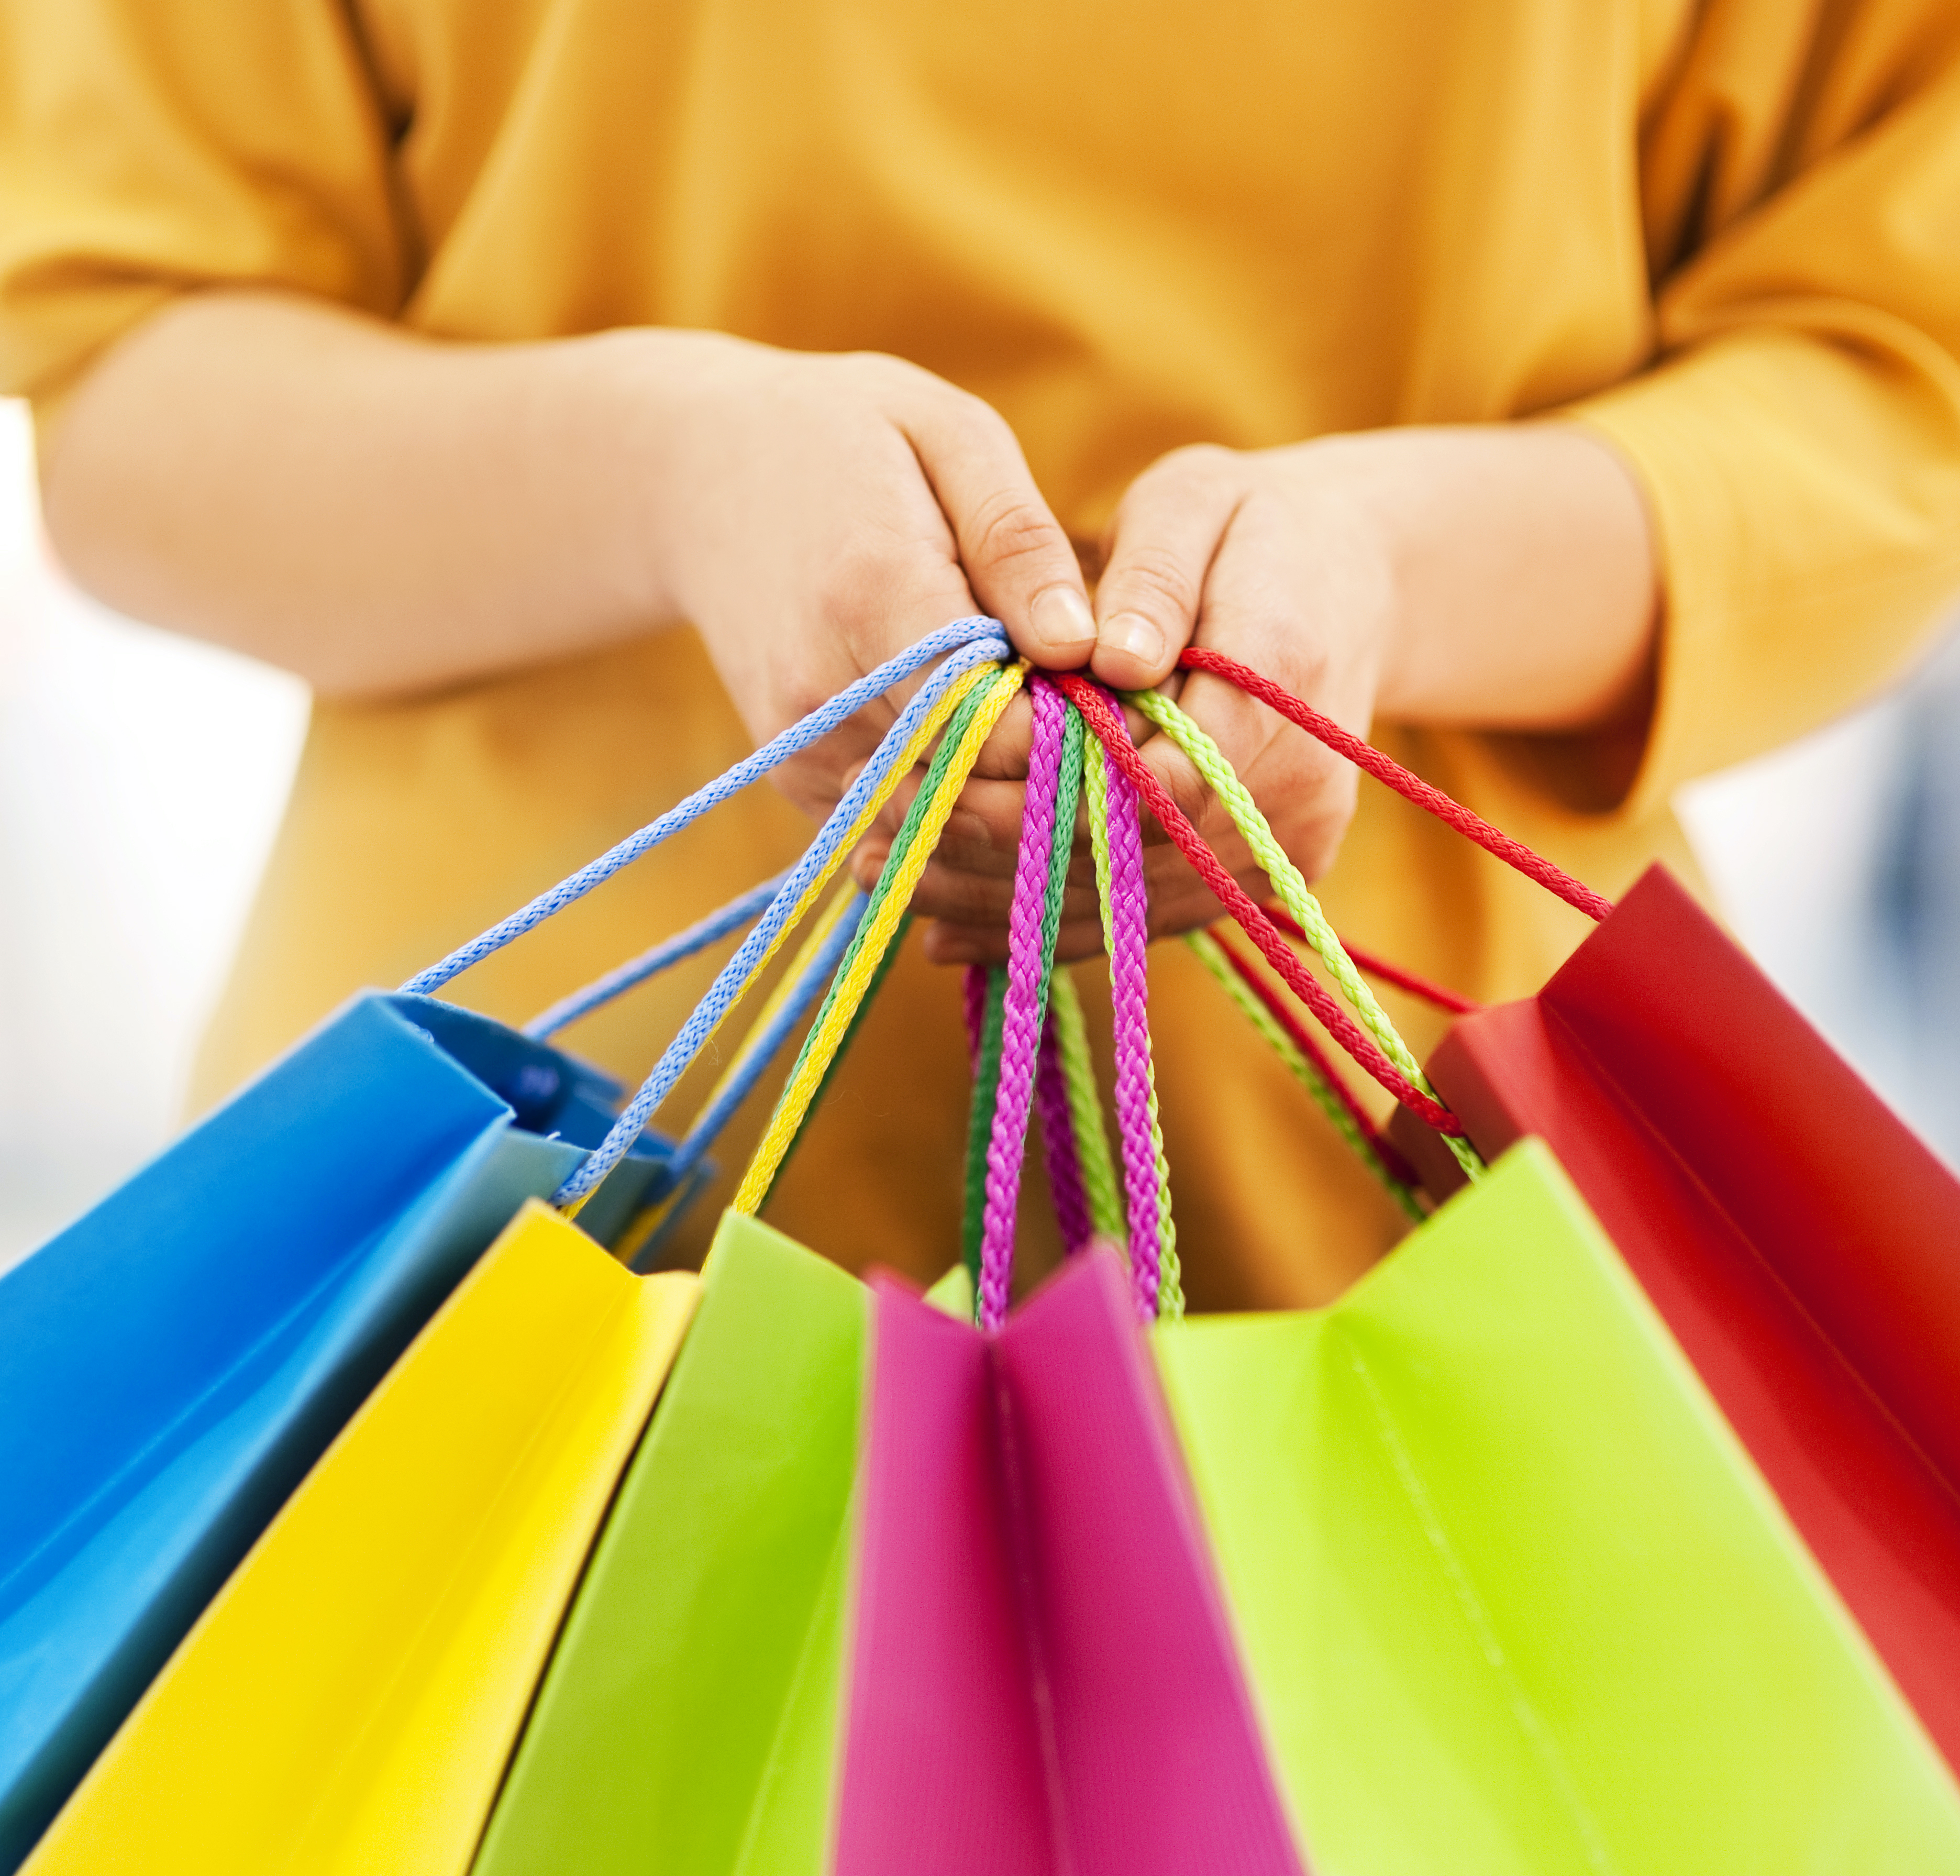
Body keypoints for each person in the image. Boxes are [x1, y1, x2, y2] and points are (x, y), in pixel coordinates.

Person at [3, 0, 1957, 1307]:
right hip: (509, 1311)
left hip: (1444, 1295)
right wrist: (671, 480)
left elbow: (1902, 380)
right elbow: (133, 379)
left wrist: (1398, 572)